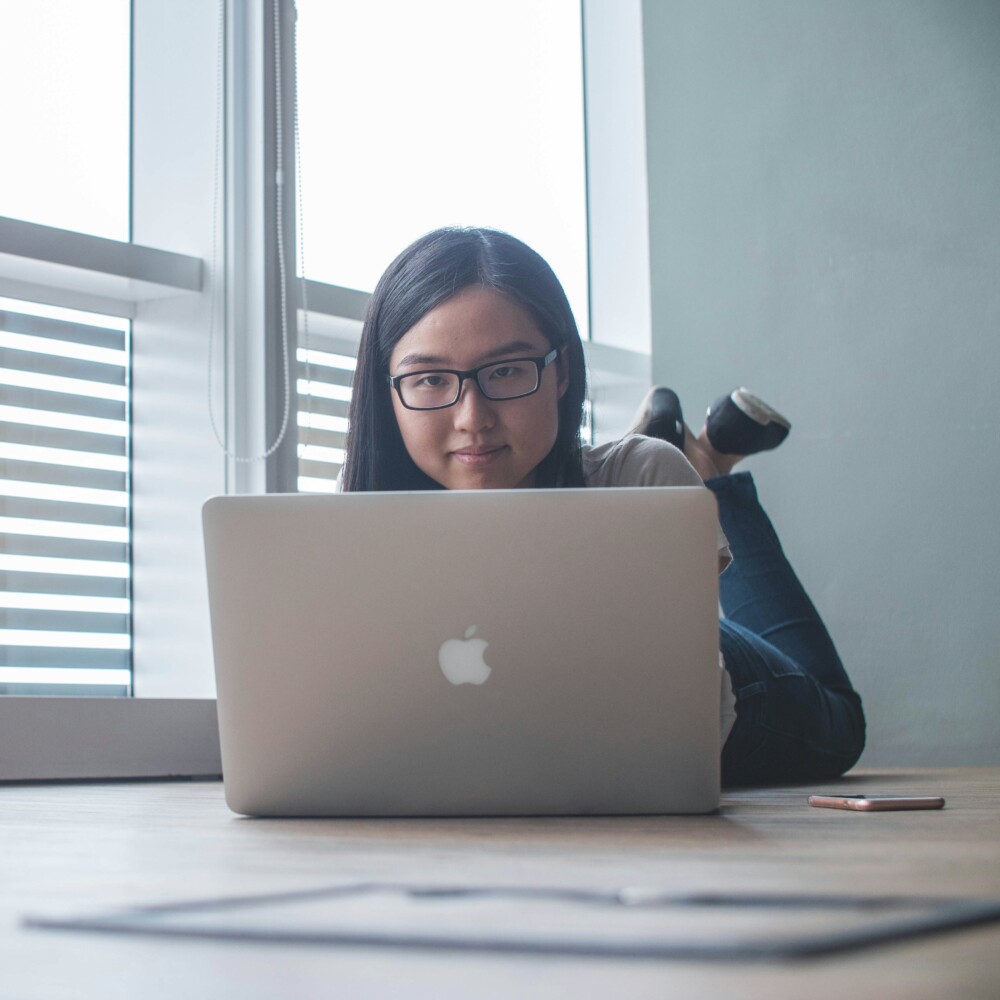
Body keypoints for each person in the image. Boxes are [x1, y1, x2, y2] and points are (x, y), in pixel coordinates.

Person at [341, 226, 865, 786]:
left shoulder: (645, 475)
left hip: (737, 701)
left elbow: (670, 720)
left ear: (561, 371)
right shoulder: (346, 536)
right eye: (430, 379)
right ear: (387, 390)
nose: (473, 417)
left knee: (841, 719)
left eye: (506, 371)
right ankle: (705, 456)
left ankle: (710, 474)